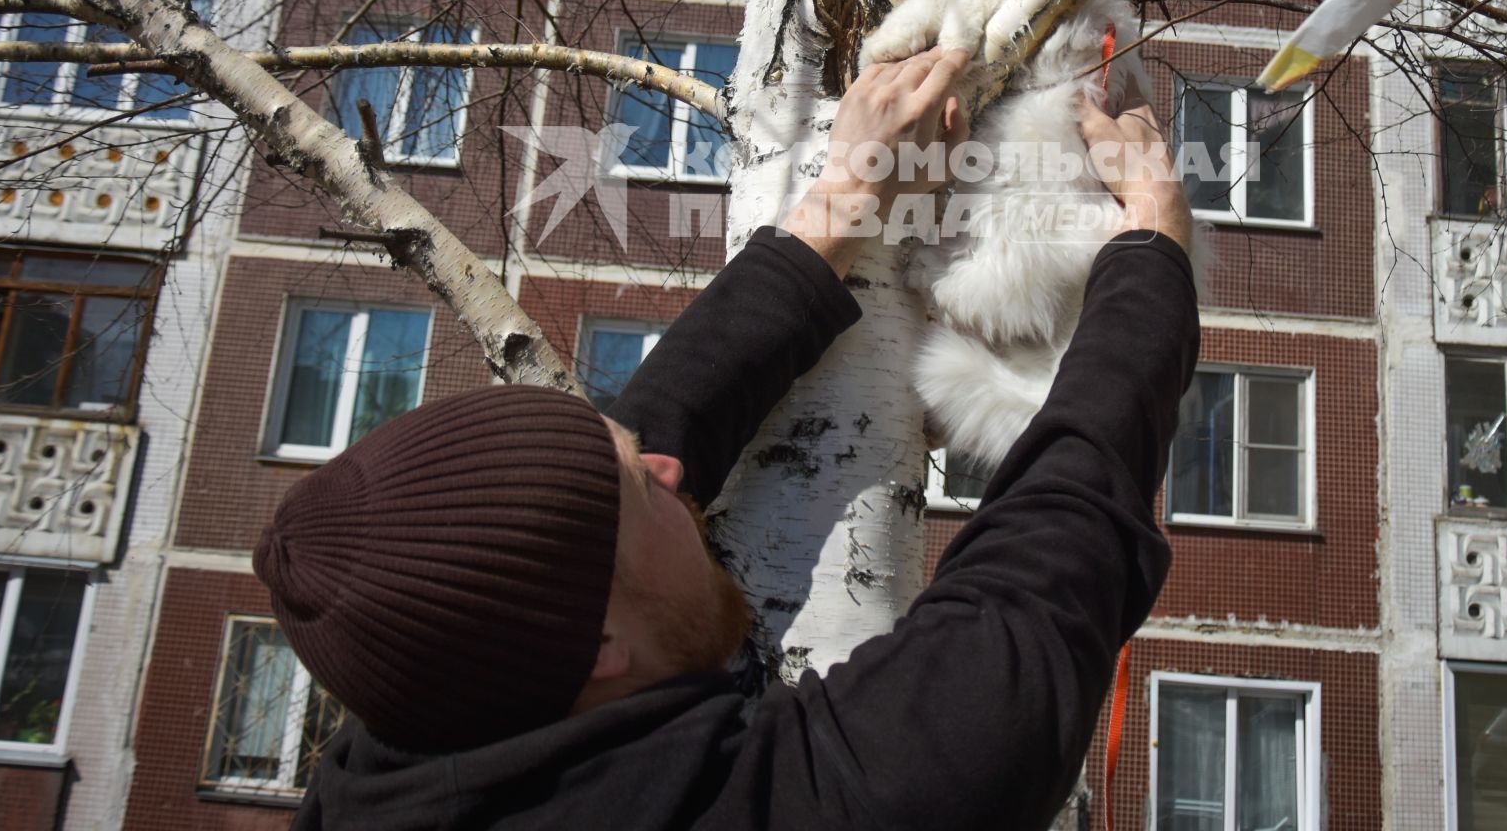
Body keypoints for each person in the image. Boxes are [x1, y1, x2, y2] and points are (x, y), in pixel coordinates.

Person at [254, 45, 1201, 831]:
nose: (671, 468)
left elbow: (650, 435)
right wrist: (1152, 246)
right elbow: (1038, 587)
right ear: (596, 650)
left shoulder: (423, 718)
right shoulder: (793, 809)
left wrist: (843, 197)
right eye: (644, 493)